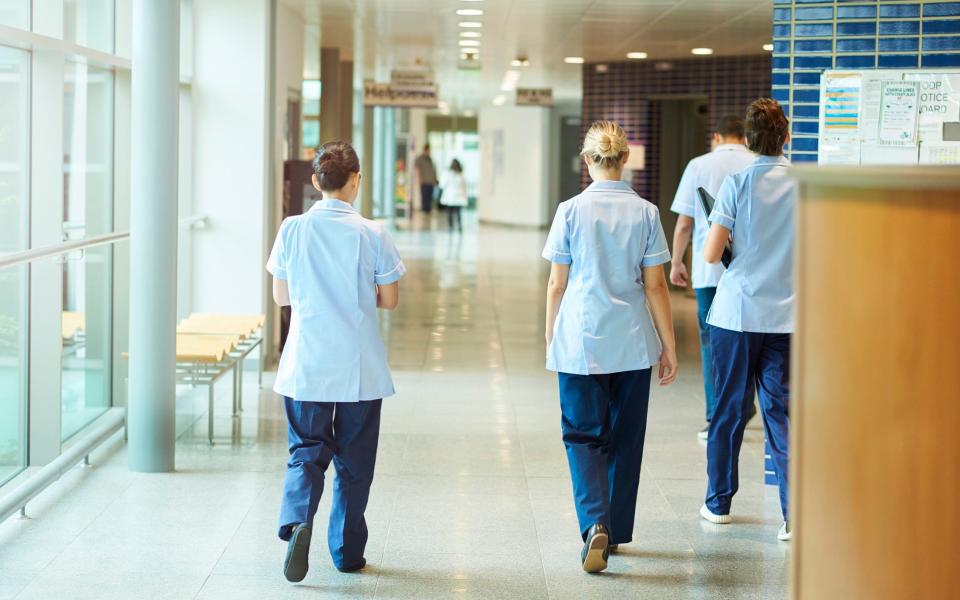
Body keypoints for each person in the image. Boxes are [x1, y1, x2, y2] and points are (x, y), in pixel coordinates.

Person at [542, 121, 679, 574]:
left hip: (581, 338)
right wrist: (669, 345)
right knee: (625, 439)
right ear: (625, 161)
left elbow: (557, 283)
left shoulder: (569, 211)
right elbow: (656, 285)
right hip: (633, 343)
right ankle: (614, 531)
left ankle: (593, 522)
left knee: (582, 436)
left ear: (587, 162)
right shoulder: (646, 213)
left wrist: (551, 333)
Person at [266, 141, 407, 581]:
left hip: (307, 361)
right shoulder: (373, 232)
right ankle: (346, 551)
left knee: (305, 452)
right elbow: (389, 300)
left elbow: (281, 297)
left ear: (315, 183)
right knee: (354, 461)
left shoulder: (292, 228)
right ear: (356, 181)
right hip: (358, 367)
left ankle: (298, 524)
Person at [699, 98, 795, 542]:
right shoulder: (805, 185)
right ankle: (793, 516)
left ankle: (719, 503)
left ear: (750, 140)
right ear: (786, 137)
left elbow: (712, 253)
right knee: (781, 413)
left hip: (736, 316)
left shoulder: (738, 183)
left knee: (729, 411)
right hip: (787, 316)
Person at [670, 115, 756, 439]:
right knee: (748, 338)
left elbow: (684, 223)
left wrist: (677, 261)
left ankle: (715, 414)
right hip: (748, 270)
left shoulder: (698, 165)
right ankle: (744, 403)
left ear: (717, 136)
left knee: (710, 342)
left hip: (709, 271)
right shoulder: (756, 163)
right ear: (743, 137)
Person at [441, 158, 467, 232]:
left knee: (450, 213)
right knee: (458, 213)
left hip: (450, 197)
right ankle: (458, 226)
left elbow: (442, 185)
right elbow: (464, 186)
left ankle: (451, 226)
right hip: (457, 197)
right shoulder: (460, 174)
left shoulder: (448, 174)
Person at [414, 143, 438, 213]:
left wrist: (435, 180)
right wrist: (418, 179)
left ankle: (428, 210)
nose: (429, 152)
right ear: (425, 150)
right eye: (428, 150)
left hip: (431, 182)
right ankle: (424, 210)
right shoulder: (420, 159)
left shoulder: (430, 159)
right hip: (424, 181)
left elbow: (433, 170)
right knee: (424, 197)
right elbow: (417, 169)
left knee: (430, 197)